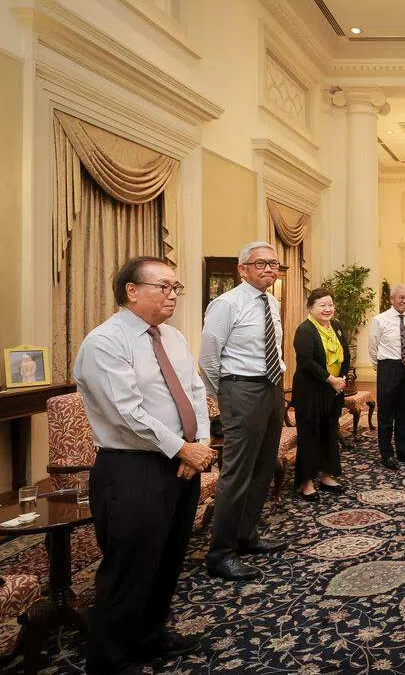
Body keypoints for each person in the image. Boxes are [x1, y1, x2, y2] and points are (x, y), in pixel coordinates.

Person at [75, 256, 215, 674]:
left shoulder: (173, 337)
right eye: (163, 286)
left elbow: (195, 391)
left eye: (176, 287)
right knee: (129, 567)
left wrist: (199, 443)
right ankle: (110, 659)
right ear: (131, 291)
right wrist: (181, 448)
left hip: (181, 462)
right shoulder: (105, 342)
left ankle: (150, 635)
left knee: (167, 558)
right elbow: (126, 413)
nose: (173, 295)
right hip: (132, 467)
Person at [199, 241, 289, 581]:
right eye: (261, 263)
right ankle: (220, 554)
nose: (269, 269)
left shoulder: (272, 303)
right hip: (241, 389)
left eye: (273, 264)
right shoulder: (225, 304)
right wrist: (226, 396)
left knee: (263, 467)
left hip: (272, 388)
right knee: (237, 473)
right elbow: (208, 358)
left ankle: (246, 536)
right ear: (243, 269)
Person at [291, 288, 350, 501]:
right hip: (310, 391)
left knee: (329, 432)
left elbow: (346, 354)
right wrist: (331, 379)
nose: (328, 309)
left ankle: (326, 476)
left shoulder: (337, 326)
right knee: (309, 435)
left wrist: (342, 378)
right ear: (310, 307)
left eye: (330, 305)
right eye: (322, 305)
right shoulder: (305, 330)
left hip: (332, 391)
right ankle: (306, 482)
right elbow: (306, 362)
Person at [369, 284, 405, 470]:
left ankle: (403, 452)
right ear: (392, 299)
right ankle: (387, 454)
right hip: (388, 367)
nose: (404, 301)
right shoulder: (379, 320)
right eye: (401, 297)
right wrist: (381, 367)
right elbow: (373, 347)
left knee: (404, 412)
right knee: (386, 413)